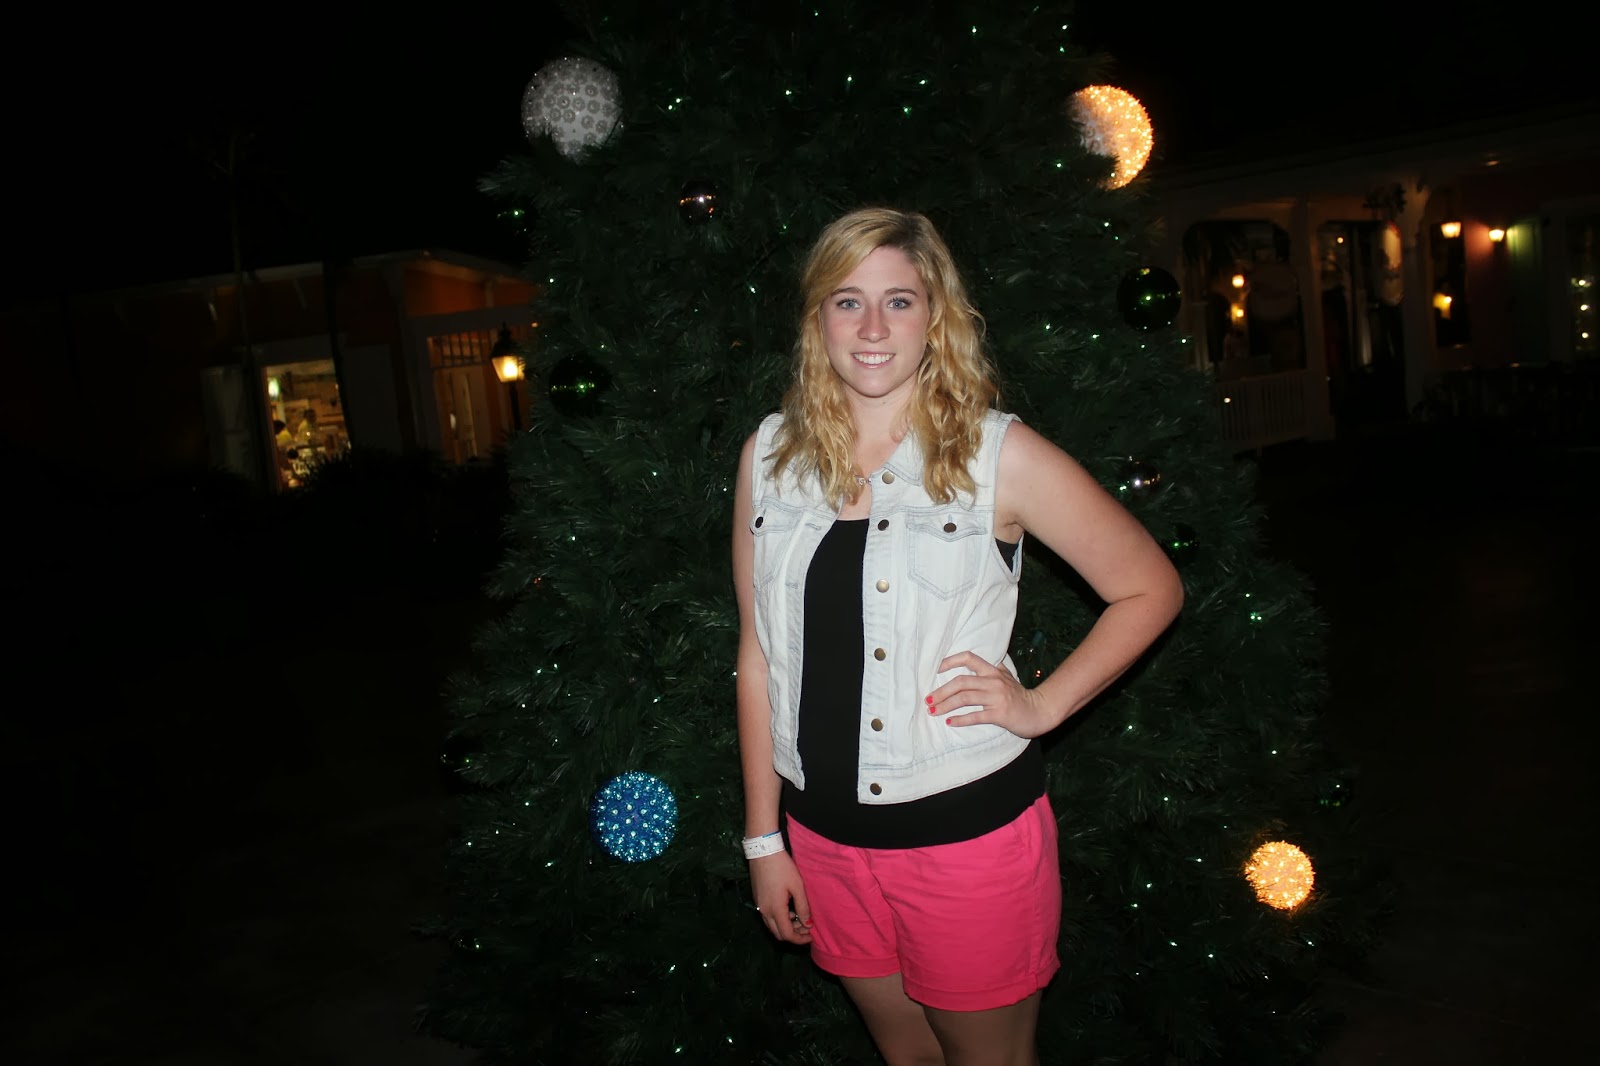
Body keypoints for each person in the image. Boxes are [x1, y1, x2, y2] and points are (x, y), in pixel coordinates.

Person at [731, 207, 1185, 1065]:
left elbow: (1150, 587)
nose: (872, 327)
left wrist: (1043, 706)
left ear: (935, 316)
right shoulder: (771, 456)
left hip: (965, 843)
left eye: (899, 301)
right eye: (847, 300)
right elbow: (758, 658)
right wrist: (764, 840)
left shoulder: (995, 454)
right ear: (817, 318)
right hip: (824, 844)